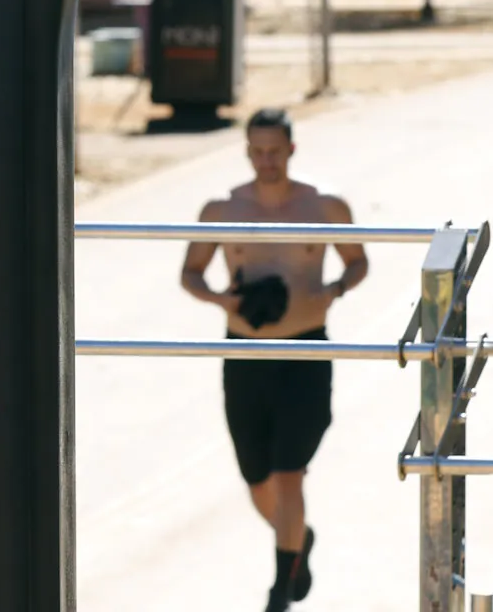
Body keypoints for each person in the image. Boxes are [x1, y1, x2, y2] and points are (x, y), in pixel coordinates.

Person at [180, 108, 368, 612]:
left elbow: (358, 261)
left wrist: (334, 289)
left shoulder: (324, 206)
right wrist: (224, 300)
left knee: (290, 474)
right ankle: (297, 539)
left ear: (291, 149)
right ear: (246, 152)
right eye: (257, 151)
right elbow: (191, 274)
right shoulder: (222, 211)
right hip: (244, 356)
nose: (267, 160)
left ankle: (280, 590)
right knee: (257, 479)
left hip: (306, 350)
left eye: (275, 150)